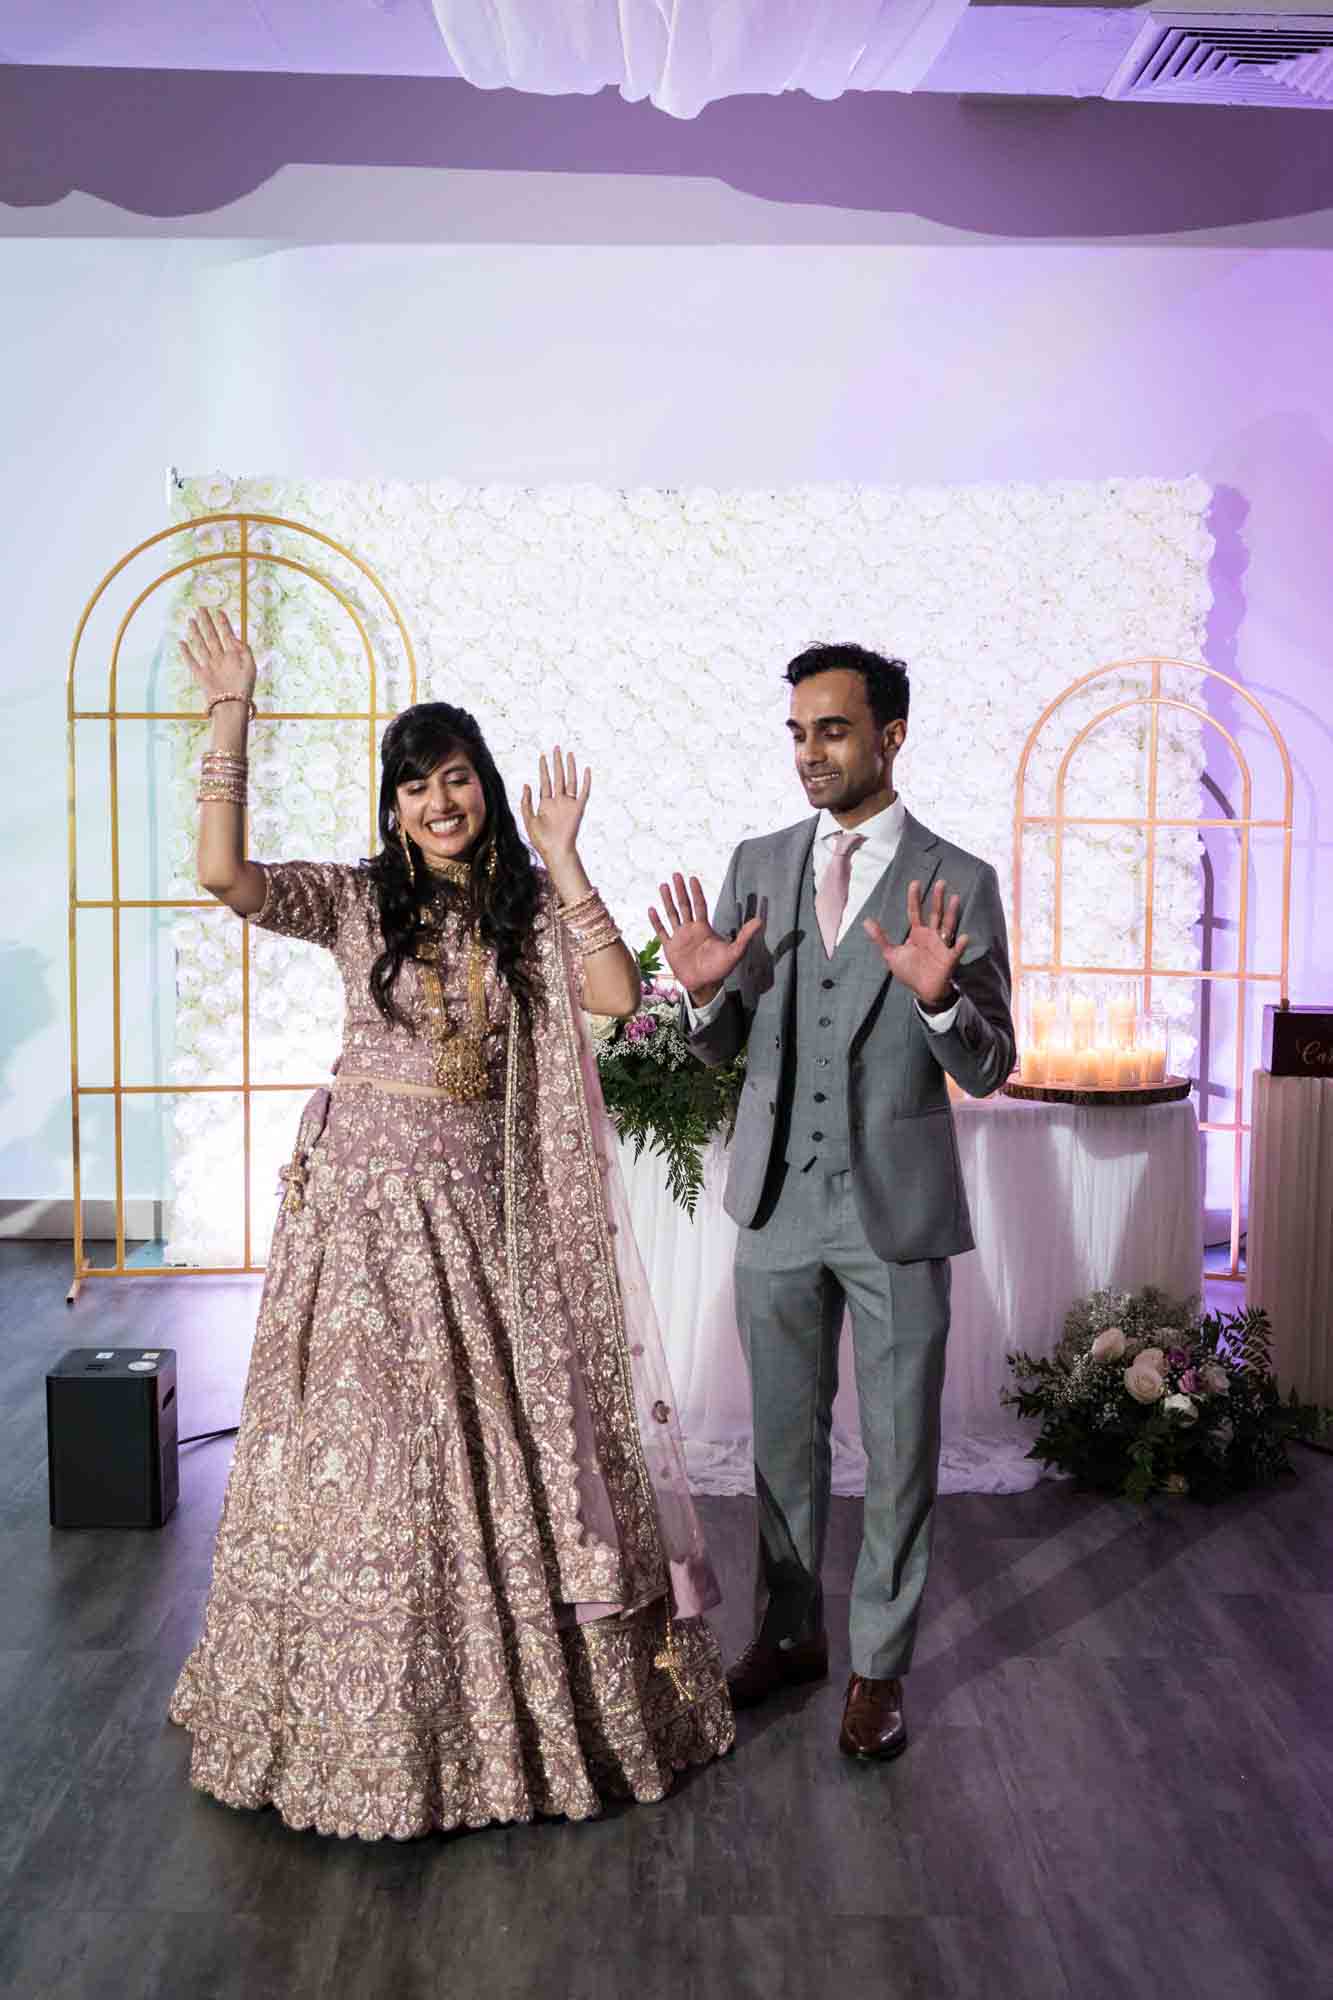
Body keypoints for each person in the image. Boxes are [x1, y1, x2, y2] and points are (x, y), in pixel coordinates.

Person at [169, 607, 734, 1839]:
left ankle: (484, 1717)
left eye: (458, 777)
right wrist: (231, 713)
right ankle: (345, 1711)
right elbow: (223, 876)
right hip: (361, 1228)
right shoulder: (356, 901)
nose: (439, 801)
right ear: (392, 806)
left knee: (473, 1461)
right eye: (416, 783)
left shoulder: (525, 912)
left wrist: (566, 854)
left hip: (476, 1233)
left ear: (484, 788)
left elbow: (611, 995)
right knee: (367, 1457)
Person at [650, 642, 1014, 1762]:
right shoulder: (757, 861)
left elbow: (992, 1064)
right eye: (799, 732)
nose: (812, 752)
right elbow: (721, 1049)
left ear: (891, 735)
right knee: (781, 1444)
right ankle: (793, 1633)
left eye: (835, 730)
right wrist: (706, 995)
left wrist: (942, 995)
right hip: (774, 1203)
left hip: (895, 1207)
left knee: (900, 1447)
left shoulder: (958, 878)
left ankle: (878, 1667)